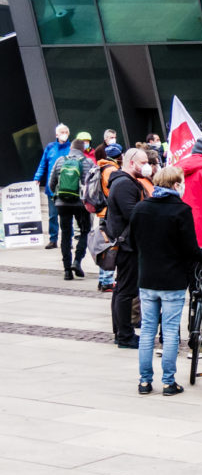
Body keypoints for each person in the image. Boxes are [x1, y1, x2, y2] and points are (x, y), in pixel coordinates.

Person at [131, 166, 202, 396]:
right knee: (170, 331)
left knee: (147, 331)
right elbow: (190, 248)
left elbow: (134, 242)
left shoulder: (141, 208)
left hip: (147, 278)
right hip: (173, 280)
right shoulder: (181, 210)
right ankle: (168, 382)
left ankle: (144, 381)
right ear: (176, 185)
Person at [106, 148, 150, 348]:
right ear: (132, 163)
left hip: (127, 244)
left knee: (122, 289)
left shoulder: (124, 182)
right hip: (128, 246)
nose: (146, 166)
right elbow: (133, 214)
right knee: (125, 290)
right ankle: (124, 335)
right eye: (143, 162)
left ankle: (121, 332)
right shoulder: (124, 184)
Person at [49, 139, 93, 280]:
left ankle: (67, 270)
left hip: (62, 204)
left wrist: (59, 196)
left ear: (71, 148)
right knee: (85, 231)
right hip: (81, 203)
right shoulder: (88, 163)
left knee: (66, 234)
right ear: (83, 149)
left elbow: (51, 183)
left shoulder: (60, 161)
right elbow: (92, 186)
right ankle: (77, 261)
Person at [34, 123, 71, 249]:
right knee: (52, 215)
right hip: (52, 188)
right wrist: (37, 178)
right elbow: (43, 164)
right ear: (56, 134)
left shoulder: (72, 148)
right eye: (62, 132)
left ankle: (68, 240)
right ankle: (53, 239)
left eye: (66, 132)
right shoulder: (50, 148)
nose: (64, 134)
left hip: (67, 188)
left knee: (66, 216)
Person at [95, 143, 123, 292]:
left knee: (105, 245)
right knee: (110, 246)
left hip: (103, 211)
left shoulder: (102, 166)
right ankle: (106, 280)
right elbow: (114, 191)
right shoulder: (111, 170)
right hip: (109, 212)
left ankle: (103, 279)